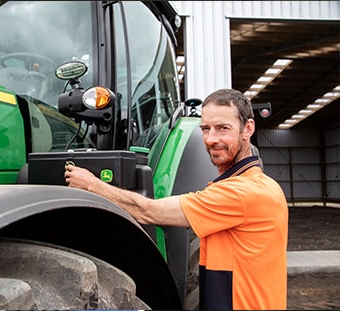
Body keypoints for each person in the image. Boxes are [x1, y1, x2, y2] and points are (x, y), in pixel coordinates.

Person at [64, 88, 288, 310]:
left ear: (247, 129)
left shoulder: (242, 193)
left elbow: (148, 211)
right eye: (205, 129)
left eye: (223, 128)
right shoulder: (262, 186)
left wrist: (93, 185)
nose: (211, 139)